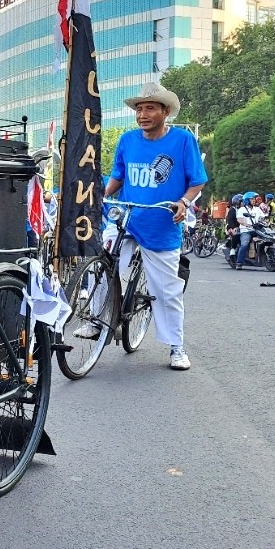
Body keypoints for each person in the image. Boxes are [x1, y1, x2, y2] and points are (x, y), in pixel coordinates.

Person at [93, 82, 208, 371]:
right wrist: (98, 197)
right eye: (139, 109)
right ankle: (97, 322)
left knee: (167, 289)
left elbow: (197, 181)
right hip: (126, 217)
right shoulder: (128, 140)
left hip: (162, 223)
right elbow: (118, 177)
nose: (142, 114)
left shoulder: (182, 140)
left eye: (150, 108)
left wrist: (183, 202)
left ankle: (176, 346)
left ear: (165, 111)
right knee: (102, 265)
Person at [235, 191, 260, 270]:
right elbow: (239, 219)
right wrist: (246, 224)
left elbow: (263, 218)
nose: (254, 200)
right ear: (246, 200)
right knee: (244, 244)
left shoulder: (257, 209)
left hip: (257, 230)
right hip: (246, 230)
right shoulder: (242, 209)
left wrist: (268, 223)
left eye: (254, 199)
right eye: (252, 199)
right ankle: (239, 263)